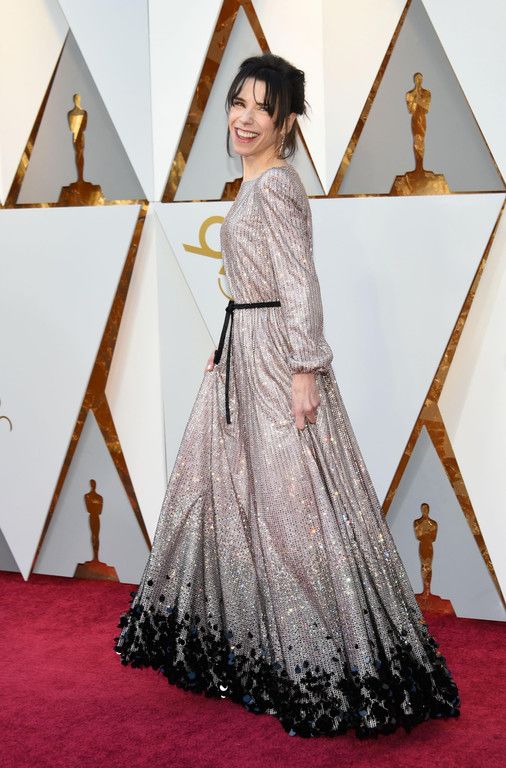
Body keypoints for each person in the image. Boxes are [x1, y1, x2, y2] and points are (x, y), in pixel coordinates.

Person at [114, 53, 460, 739]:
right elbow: (260, 283)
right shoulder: (254, 183)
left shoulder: (274, 186)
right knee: (237, 503)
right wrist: (231, 341)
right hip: (247, 352)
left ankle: (327, 666)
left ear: (287, 122)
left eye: (262, 108)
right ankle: (268, 657)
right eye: (238, 102)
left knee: (291, 513)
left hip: (277, 365)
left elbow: (300, 281)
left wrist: (305, 367)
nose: (244, 118)